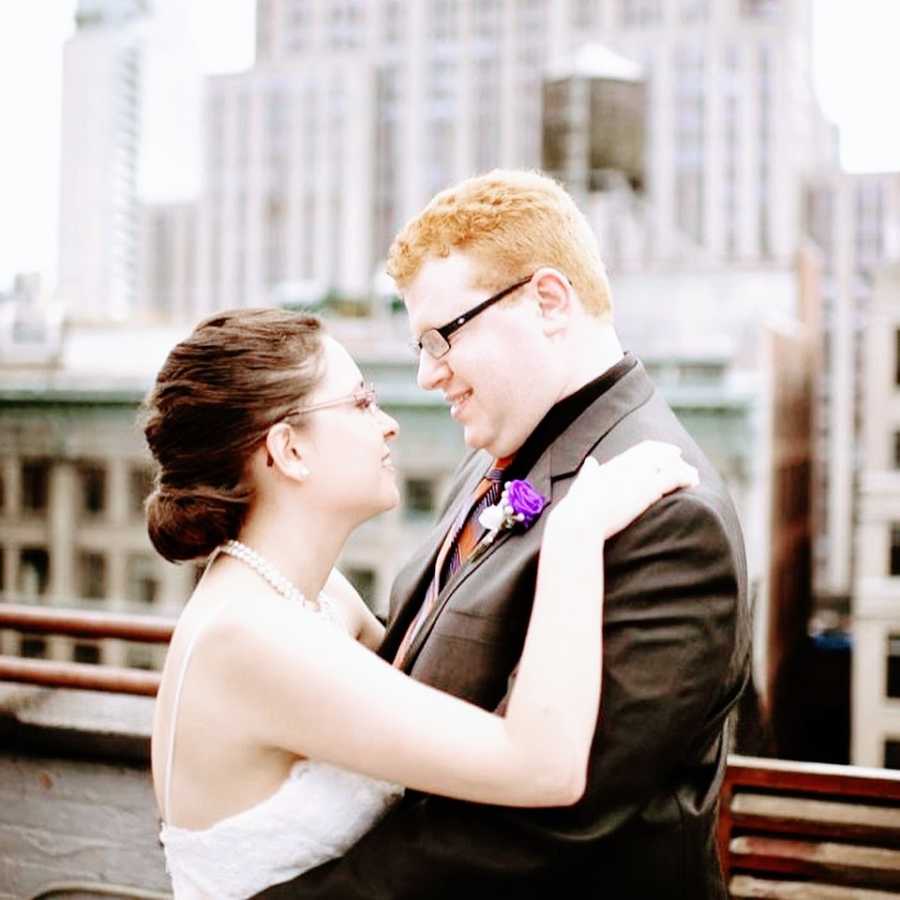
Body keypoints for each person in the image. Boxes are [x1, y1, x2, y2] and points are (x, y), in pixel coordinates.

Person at [256, 170, 752, 900]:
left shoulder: (670, 520)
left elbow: (549, 825)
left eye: (440, 337)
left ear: (548, 300)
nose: (428, 375)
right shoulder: (498, 451)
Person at [145, 307, 697, 899]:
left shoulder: (319, 598)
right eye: (360, 403)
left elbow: (442, 692)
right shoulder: (249, 639)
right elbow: (543, 768)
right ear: (288, 451)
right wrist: (574, 533)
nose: (388, 425)